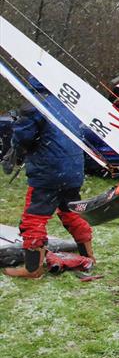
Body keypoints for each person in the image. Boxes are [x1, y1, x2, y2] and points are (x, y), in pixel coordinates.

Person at [3, 79, 94, 278]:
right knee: (70, 212)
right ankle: (88, 256)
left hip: (48, 171)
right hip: (73, 170)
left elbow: (23, 137)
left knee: (33, 219)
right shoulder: (68, 103)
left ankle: (33, 269)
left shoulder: (34, 105)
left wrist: (15, 155)